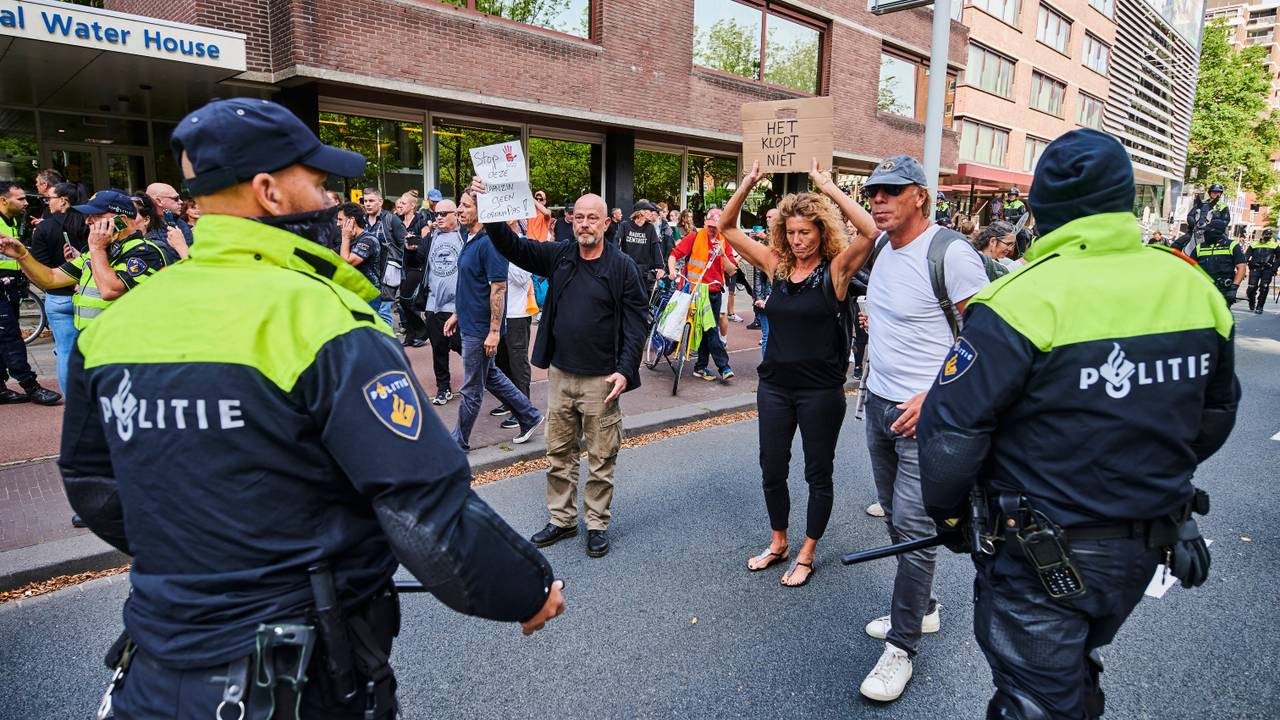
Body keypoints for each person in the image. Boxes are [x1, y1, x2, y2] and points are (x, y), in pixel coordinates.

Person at [59, 99, 565, 719]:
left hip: (153, 667)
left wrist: (204, 555)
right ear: (270, 192)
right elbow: (425, 511)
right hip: (298, 677)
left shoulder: (121, 321)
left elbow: (92, 486)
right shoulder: (325, 319)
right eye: (319, 183)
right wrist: (528, 589)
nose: (330, 200)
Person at [918, 127, 1235, 720]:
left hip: (1041, 552)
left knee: (1037, 701)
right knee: (1066, 682)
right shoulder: (1194, 287)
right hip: (1143, 546)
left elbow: (949, 440)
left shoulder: (1018, 301)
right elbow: (1214, 415)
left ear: (1037, 209)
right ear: (1126, 202)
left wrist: (953, 518)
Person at [857, 155, 990, 702]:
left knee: (914, 529)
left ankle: (902, 647)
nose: (878, 200)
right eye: (872, 193)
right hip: (879, 406)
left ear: (920, 195)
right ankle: (926, 608)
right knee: (894, 515)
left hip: (926, 418)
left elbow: (985, 339)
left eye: (890, 191)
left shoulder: (952, 254)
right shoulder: (884, 247)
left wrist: (934, 396)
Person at [471, 178, 648, 559]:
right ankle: (563, 519)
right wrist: (492, 208)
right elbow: (513, 246)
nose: (584, 223)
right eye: (579, 217)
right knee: (559, 452)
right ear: (572, 221)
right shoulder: (560, 255)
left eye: (592, 218)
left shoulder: (622, 268)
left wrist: (625, 370)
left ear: (605, 223)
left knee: (602, 456)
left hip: (603, 380)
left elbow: (637, 322)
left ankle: (597, 523)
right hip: (561, 376)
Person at [721, 159, 877, 587]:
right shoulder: (778, 266)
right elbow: (728, 229)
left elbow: (869, 231)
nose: (797, 240)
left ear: (822, 232)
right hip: (774, 387)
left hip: (820, 392)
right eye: (790, 232)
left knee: (816, 472)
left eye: (805, 232)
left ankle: (808, 551)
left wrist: (827, 187)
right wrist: (749, 182)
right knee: (772, 467)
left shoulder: (837, 271)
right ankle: (779, 542)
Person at [443, 190, 544, 451]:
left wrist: (494, 332)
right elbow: (469, 283)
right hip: (470, 323)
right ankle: (530, 415)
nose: (459, 211)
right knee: (490, 376)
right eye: (459, 206)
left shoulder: (490, 243)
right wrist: (456, 314)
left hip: (480, 329)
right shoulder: (470, 238)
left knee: (471, 389)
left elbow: (498, 287)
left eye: (465, 206)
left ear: (482, 210)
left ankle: (459, 442)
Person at [1, 190, 173, 342]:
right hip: (95, 344)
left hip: (127, 346)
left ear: (120, 220)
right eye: (87, 216)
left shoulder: (145, 252)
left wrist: (97, 248)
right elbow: (51, 279)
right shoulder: (99, 253)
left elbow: (110, 291)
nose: (88, 221)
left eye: (96, 215)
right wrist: (22, 255)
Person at [0, 182, 61, 405]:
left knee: (3, 336)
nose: (26, 203)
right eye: (21, 199)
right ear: (3, 200)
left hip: (11, 287)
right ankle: (30, 385)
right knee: (11, 338)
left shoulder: (14, 220)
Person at [27, 181, 88, 393]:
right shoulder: (89, 225)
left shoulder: (44, 228)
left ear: (63, 201)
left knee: (65, 351)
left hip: (58, 298)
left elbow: (39, 267)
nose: (46, 203)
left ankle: (72, 401)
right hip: (91, 296)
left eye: (49, 198)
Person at [668, 207, 737, 381]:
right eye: (710, 225)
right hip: (695, 291)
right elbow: (674, 255)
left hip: (714, 291)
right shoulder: (695, 236)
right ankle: (724, 366)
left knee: (708, 330)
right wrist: (671, 271)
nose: (712, 229)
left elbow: (731, 271)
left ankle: (701, 367)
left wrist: (723, 256)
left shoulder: (724, 242)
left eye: (716, 226)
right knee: (711, 329)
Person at [494, 239, 537, 430]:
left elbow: (522, 279)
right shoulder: (493, 243)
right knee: (501, 361)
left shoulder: (522, 245)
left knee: (518, 363)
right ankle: (510, 401)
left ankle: (523, 408)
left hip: (517, 315)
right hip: (499, 315)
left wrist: (504, 255)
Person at [361, 188, 406, 328]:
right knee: (371, 312)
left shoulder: (391, 219)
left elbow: (404, 245)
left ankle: (388, 345)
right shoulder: (362, 221)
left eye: (371, 201)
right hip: (368, 276)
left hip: (387, 275)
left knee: (384, 311)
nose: (367, 204)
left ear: (380, 202)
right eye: (365, 201)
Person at [395, 191, 430, 347]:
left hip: (417, 266)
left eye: (403, 203)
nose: (399, 205)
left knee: (406, 300)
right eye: (399, 203)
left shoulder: (421, 222)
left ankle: (422, 330)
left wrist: (417, 246)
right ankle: (411, 334)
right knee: (402, 303)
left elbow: (427, 242)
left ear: (412, 206)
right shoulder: (398, 222)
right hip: (403, 266)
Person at [1188, 218, 1246, 306]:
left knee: (1221, 318)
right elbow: (1190, 267)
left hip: (1223, 289)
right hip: (1203, 288)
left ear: (1217, 232)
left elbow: (1241, 267)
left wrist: (1234, 288)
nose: (1205, 233)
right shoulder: (1200, 247)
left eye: (1208, 231)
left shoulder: (1232, 245)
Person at [335, 202, 383, 303]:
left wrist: (345, 237)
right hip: (354, 294)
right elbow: (331, 255)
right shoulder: (351, 239)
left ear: (351, 220)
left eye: (340, 219)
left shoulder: (368, 240)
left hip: (368, 295)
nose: (337, 224)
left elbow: (347, 263)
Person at [615, 201, 664, 289]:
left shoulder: (650, 228)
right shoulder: (625, 225)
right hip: (626, 269)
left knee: (641, 298)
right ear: (641, 212)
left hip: (643, 271)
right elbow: (616, 242)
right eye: (649, 211)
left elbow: (655, 247)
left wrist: (659, 266)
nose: (652, 214)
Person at [145, 182, 195, 252]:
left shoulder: (181, 224)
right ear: (159, 201)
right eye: (176, 198)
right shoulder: (145, 226)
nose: (181, 202)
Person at [1246, 228, 1277, 314]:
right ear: (1262, 235)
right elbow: (1246, 256)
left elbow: (1279, 258)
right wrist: (1245, 264)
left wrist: (1275, 268)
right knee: (1251, 288)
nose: (1268, 236)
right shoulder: (1254, 244)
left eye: (1270, 235)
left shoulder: (1274, 245)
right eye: (1267, 234)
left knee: (1264, 287)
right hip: (1255, 268)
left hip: (1267, 269)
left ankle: (1260, 306)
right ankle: (1251, 301)